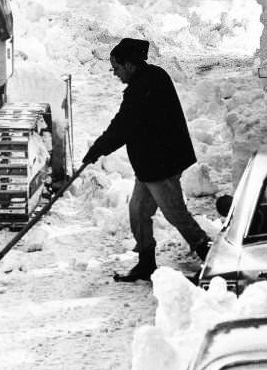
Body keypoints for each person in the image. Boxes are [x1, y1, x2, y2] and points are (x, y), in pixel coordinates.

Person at [82, 37, 211, 282]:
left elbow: (123, 126)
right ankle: (146, 263)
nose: (115, 74)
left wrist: (97, 149)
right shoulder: (151, 77)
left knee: (174, 212)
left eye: (117, 68)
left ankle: (211, 257)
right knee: (139, 211)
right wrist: (99, 149)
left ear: (129, 65)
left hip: (162, 164)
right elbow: (127, 125)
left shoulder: (144, 86)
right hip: (151, 164)